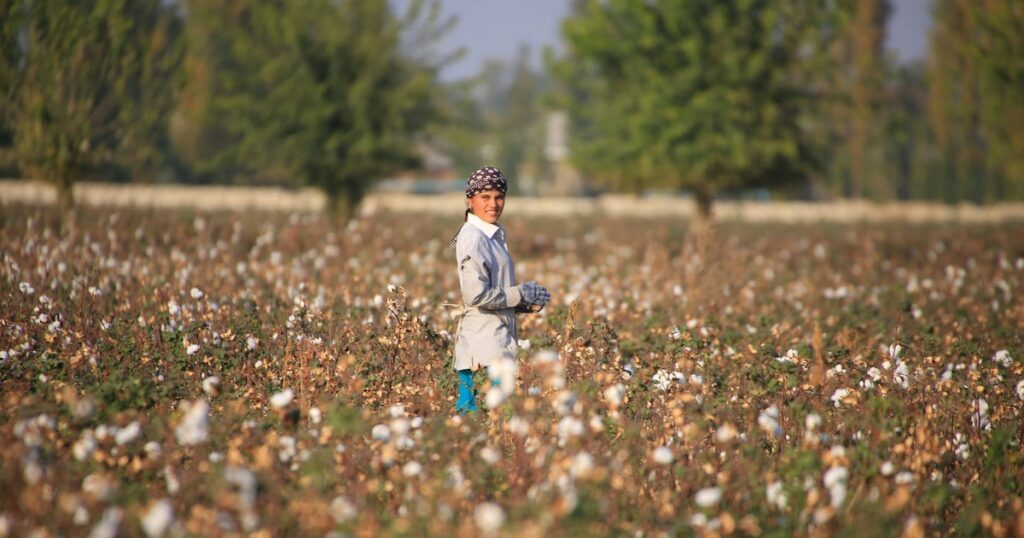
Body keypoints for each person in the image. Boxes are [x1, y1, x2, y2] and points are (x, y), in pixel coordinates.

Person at [448, 166, 551, 414]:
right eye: (485, 197)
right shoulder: (473, 236)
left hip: (493, 340)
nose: (493, 204)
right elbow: (476, 296)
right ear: (469, 201)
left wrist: (525, 302)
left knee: (485, 421)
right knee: (484, 419)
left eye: (498, 197)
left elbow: (494, 290)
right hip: (483, 346)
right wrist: (520, 294)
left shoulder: (491, 235)